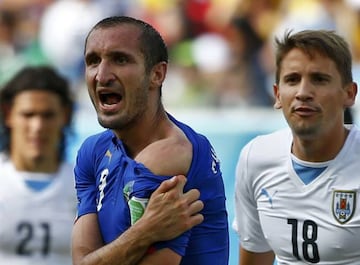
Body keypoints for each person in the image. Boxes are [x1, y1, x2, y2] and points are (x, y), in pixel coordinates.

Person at [71, 15, 229, 265]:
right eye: (93, 61)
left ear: (157, 74)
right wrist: (145, 231)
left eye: (120, 60)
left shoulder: (169, 156)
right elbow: (81, 259)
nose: (102, 75)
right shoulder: (94, 151)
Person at [233, 29, 359, 264]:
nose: (303, 93)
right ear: (278, 95)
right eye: (292, 80)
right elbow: (255, 256)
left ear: (349, 93)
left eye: (319, 79)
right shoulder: (256, 158)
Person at [0, 65, 76, 264]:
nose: (38, 126)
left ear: (65, 116)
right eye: (28, 115)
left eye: (47, 115)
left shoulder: (84, 189)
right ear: (8, 114)